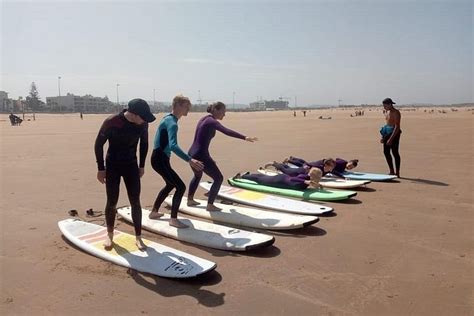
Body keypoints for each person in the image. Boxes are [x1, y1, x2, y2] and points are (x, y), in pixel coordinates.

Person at [94, 98, 156, 251]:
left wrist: (142, 165)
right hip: (113, 165)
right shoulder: (112, 121)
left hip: (131, 165)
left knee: (135, 201)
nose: (144, 121)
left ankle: (138, 237)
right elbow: (98, 144)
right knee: (112, 201)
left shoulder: (143, 124)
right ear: (134, 114)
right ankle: (109, 234)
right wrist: (101, 168)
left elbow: (144, 144)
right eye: (143, 117)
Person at [187, 101, 257, 211]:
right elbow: (226, 131)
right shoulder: (211, 121)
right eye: (223, 112)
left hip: (192, 153)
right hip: (201, 155)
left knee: (197, 176)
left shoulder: (204, 119)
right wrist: (244, 137)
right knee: (218, 178)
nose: (224, 114)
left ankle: (190, 200)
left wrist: (209, 158)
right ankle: (210, 205)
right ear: (216, 110)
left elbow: (201, 142)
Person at [148, 95, 204, 228]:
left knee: (170, 185)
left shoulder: (168, 119)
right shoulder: (172, 123)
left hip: (159, 158)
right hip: (160, 159)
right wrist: (189, 160)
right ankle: (173, 219)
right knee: (180, 187)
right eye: (186, 107)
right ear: (178, 105)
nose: (188, 110)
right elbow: (173, 145)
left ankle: (154, 212)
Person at [236, 167, 322, 191]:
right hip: (280, 180)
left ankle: (247, 175)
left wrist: (319, 185)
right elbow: (293, 180)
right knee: (261, 180)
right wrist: (305, 181)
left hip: (283, 179)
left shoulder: (309, 180)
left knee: (262, 178)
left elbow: (312, 182)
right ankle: (242, 176)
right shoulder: (305, 178)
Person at [380, 98, 401, 177]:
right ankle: (391, 171)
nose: (384, 107)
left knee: (395, 153)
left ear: (390, 104)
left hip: (394, 133)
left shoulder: (396, 113)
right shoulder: (387, 112)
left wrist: (391, 139)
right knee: (386, 152)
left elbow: (397, 127)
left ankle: (397, 172)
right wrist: (383, 136)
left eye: (385, 105)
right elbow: (387, 124)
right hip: (387, 132)